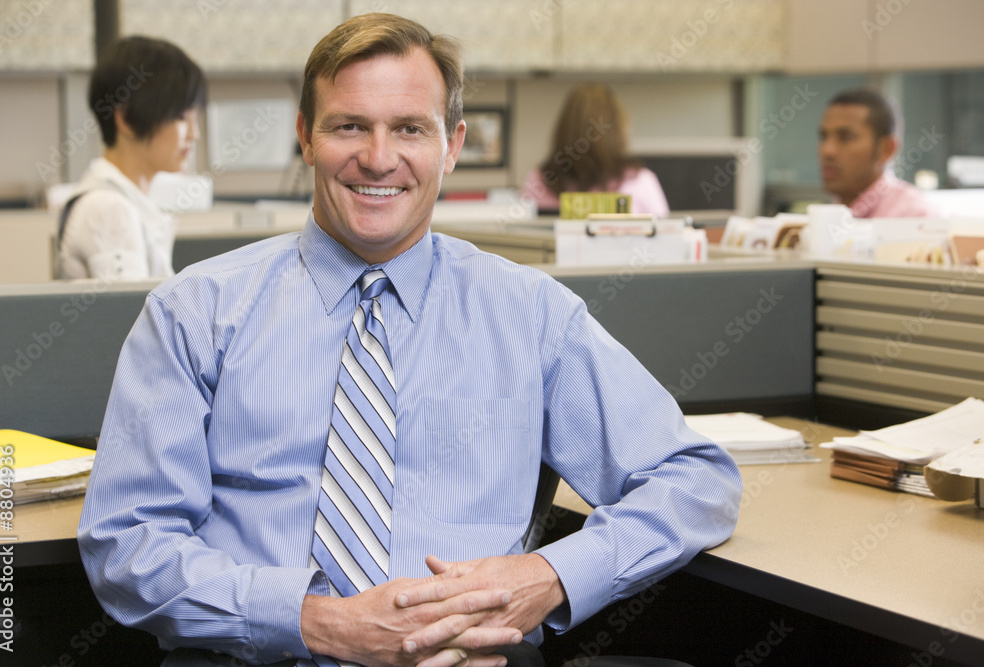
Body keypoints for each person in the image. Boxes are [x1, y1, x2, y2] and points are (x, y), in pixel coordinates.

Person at [78, 14, 740, 667]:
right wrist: (318, 623)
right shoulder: (195, 312)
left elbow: (695, 478)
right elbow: (129, 544)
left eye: (409, 129)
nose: (379, 157)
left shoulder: (530, 315)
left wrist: (546, 577)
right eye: (349, 126)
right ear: (306, 136)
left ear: (451, 146)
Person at [56, 35, 206, 280]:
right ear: (126, 118)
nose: (194, 134)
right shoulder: (109, 209)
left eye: (195, 118)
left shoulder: (121, 200)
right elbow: (129, 315)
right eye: (181, 117)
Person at [520, 84, 670, 217]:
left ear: (564, 129)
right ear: (619, 130)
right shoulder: (639, 182)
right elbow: (667, 241)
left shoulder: (538, 182)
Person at [818, 87, 944, 219]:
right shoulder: (834, 215)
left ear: (887, 149)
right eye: (823, 137)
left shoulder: (915, 218)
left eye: (846, 137)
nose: (827, 150)